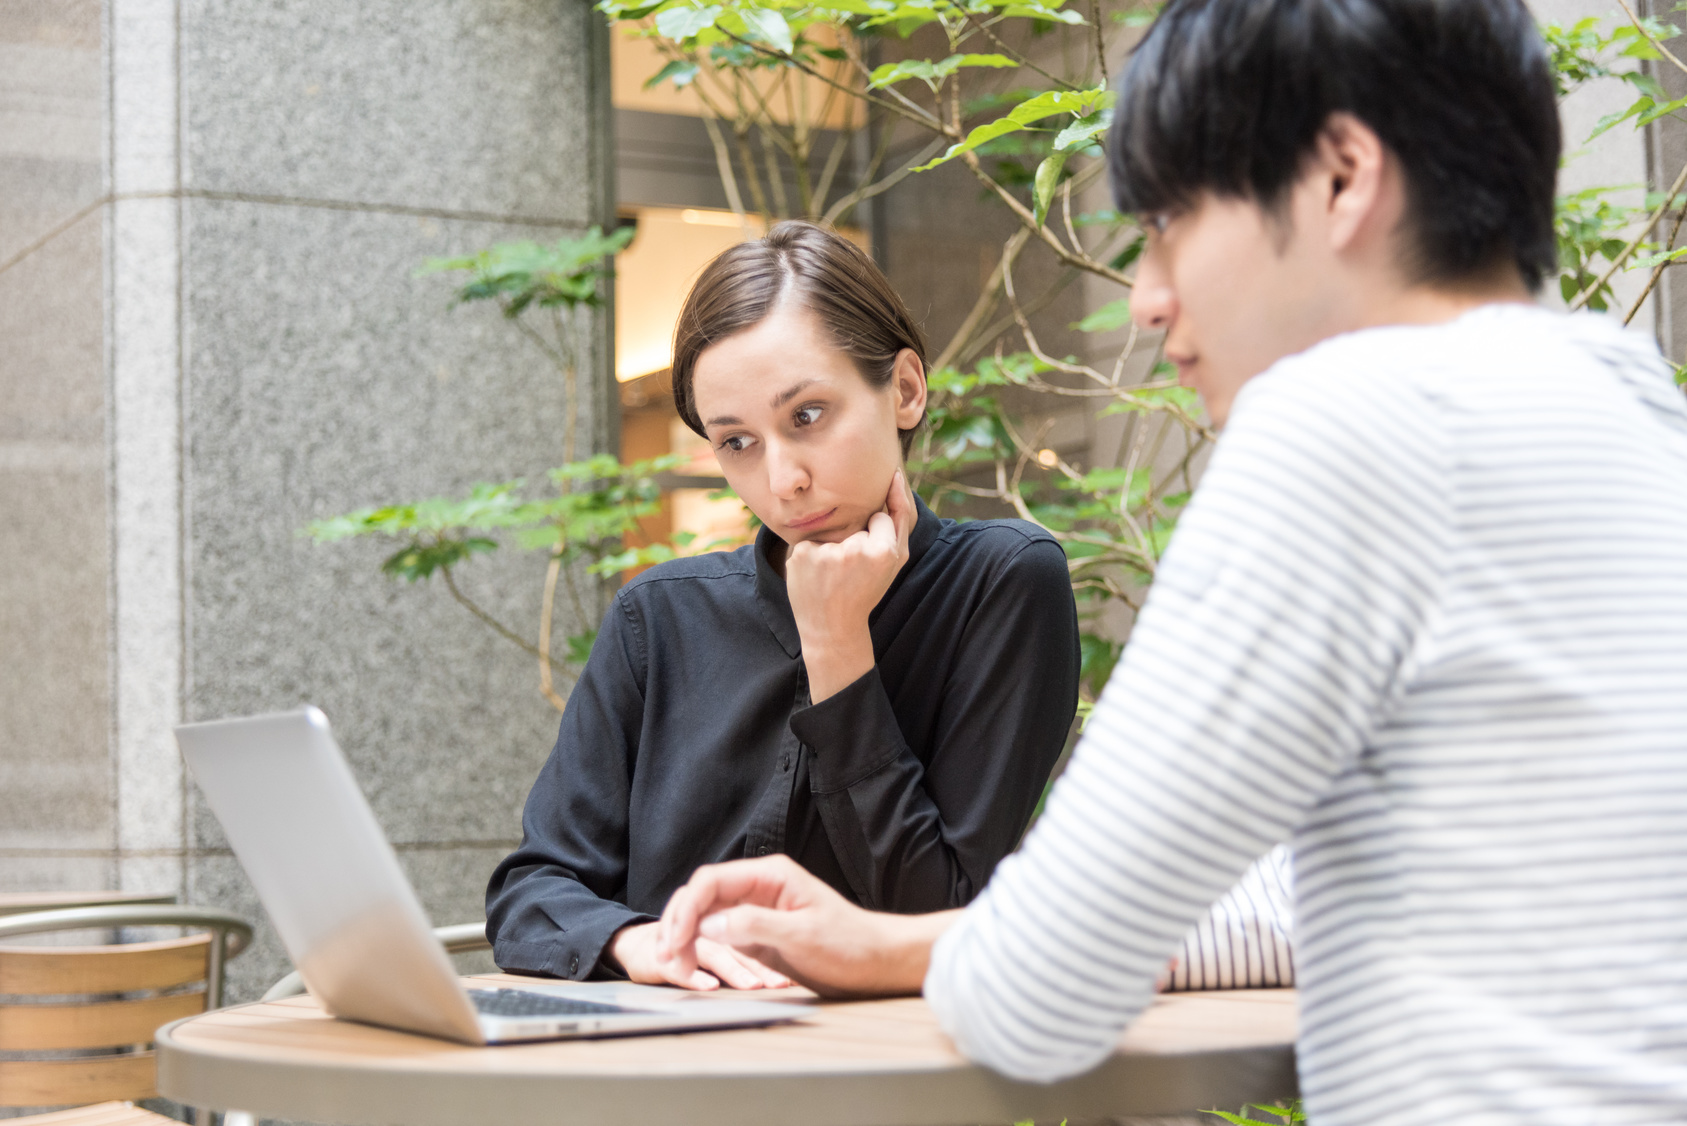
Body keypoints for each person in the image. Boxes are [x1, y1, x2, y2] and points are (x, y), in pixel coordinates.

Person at [651, 1, 1687, 1122]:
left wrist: (973, 951)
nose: (1147, 298)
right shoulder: (1631, 409)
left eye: (1168, 223)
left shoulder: (1346, 421)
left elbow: (1028, 1002)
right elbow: (1287, 905)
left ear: (1341, 175)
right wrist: (881, 941)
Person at [484, 221, 1084, 990]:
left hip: (878, 1077)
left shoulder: (1001, 584)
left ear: (903, 389)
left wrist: (837, 650)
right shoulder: (660, 618)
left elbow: (937, 911)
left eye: (806, 417)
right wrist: (637, 943)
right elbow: (532, 892)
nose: (784, 480)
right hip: (655, 1065)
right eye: (737, 443)